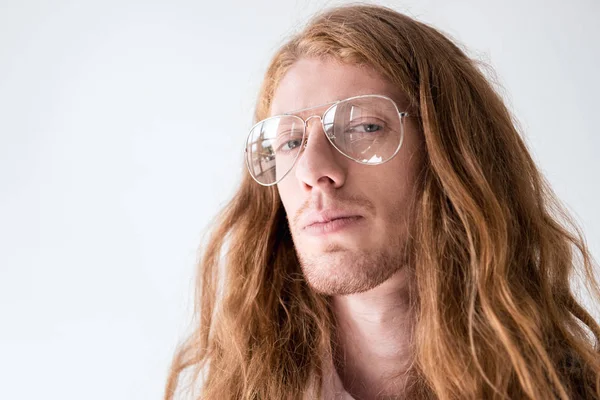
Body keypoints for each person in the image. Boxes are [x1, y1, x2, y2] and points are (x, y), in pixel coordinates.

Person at [164, 4, 600, 399]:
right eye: (291, 140)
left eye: (365, 127)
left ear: (451, 152)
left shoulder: (565, 388)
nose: (313, 171)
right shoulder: (240, 388)